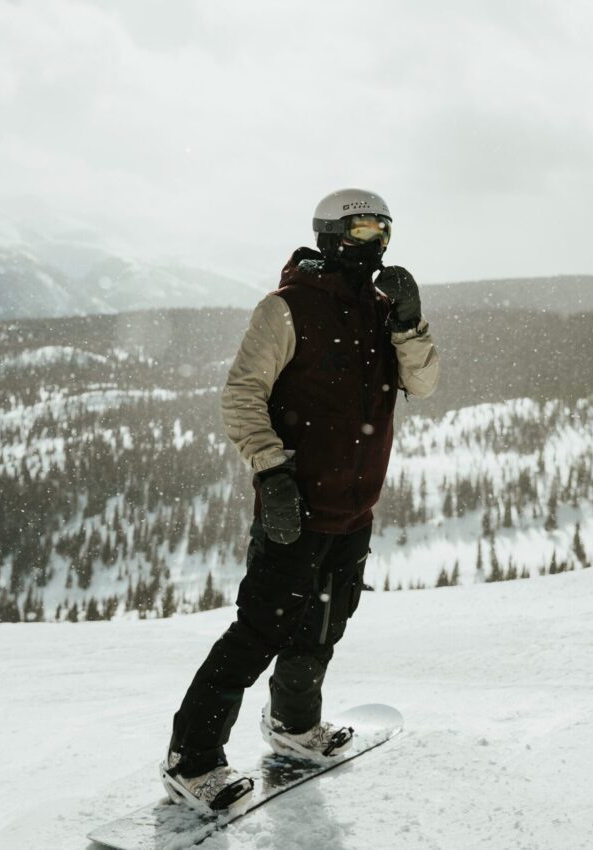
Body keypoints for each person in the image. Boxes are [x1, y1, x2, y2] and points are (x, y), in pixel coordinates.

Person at [160, 188, 440, 812]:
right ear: (333, 234)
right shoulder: (285, 309)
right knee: (259, 632)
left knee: (323, 625)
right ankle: (193, 758)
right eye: (366, 230)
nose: (379, 243)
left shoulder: (381, 309)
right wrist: (272, 472)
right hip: (297, 505)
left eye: (385, 231)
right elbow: (242, 395)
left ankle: (293, 726)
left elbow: (422, 382)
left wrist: (409, 323)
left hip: (353, 507)